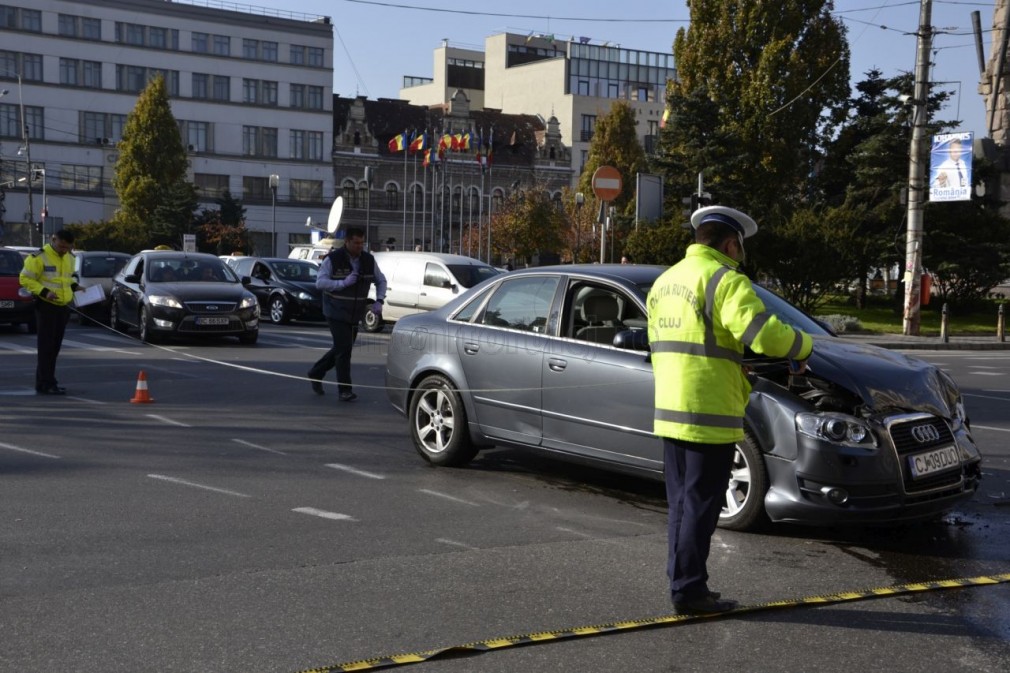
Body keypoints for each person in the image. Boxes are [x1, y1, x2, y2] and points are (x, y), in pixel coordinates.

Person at [646, 206, 813, 615]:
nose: (741, 255)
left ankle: (682, 582)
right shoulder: (725, 280)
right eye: (740, 247)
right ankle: (689, 592)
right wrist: (804, 345)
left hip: (670, 408)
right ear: (730, 243)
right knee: (702, 507)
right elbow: (762, 335)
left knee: (682, 505)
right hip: (709, 411)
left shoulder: (665, 282)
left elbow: (675, 344)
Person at [308, 226, 387, 401]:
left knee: (342, 348)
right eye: (356, 243)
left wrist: (379, 301)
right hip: (335, 310)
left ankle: (316, 372)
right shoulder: (333, 259)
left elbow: (381, 280)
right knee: (344, 350)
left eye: (362, 242)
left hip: (354, 313)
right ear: (347, 242)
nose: (360, 246)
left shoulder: (368, 260)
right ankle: (344, 390)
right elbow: (320, 283)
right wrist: (342, 283)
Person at [19, 229, 81, 395]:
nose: (63, 250)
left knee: (54, 347)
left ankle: (45, 382)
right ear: (53, 239)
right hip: (46, 305)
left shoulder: (70, 257)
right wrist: (44, 292)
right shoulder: (38, 257)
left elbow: (69, 277)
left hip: (63, 305)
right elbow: (25, 278)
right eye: (61, 246)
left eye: (67, 247)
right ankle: (46, 383)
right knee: (46, 346)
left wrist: (76, 286)